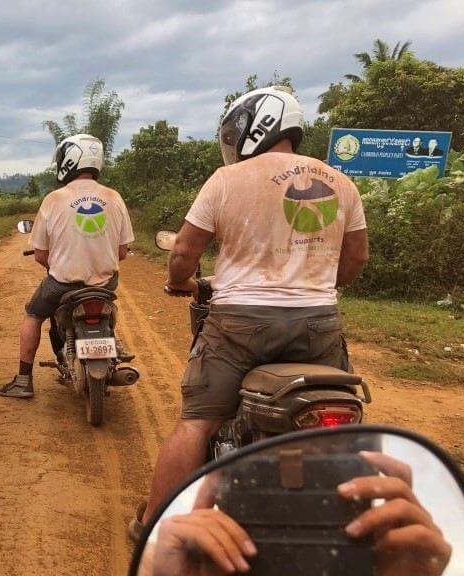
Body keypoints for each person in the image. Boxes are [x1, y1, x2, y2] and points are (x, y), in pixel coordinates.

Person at [139, 86, 369, 523]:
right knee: (344, 417)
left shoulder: (226, 180)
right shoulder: (341, 181)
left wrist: (179, 282)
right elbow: (356, 258)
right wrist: (318, 285)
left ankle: (154, 526)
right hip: (319, 325)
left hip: (240, 324)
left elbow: (183, 253)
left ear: (256, 126)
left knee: (197, 420)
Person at [141, 451, 451, 576]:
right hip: (318, 333)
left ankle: (147, 520)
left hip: (237, 328)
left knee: (196, 420)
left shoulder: (162, 557)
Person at [0, 133, 134, 398]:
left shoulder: (54, 199)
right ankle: (109, 341)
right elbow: (122, 252)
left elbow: (39, 255)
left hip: (63, 284)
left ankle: (23, 380)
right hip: (104, 283)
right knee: (109, 303)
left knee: (33, 314)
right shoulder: (114, 198)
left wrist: (61, 266)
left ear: (69, 161)